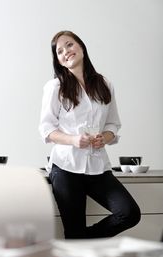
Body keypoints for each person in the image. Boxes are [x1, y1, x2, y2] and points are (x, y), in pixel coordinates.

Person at [39, 30, 141, 239]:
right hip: (66, 168)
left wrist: (105, 137)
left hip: (98, 167)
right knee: (74, 229)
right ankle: (78, 241)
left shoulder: (104, 84)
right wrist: (73, 140)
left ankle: (80, 240)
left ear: (81, 47)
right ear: (58, 61)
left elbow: (113, 123)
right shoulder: (55, 87)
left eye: (69, 45)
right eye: (59, 51)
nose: (66, 52)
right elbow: (46, 129)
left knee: (129, 213)